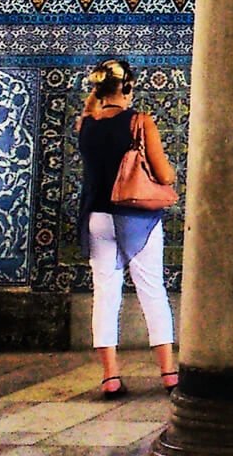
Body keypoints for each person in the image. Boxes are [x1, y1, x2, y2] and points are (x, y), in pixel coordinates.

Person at [76, 59, 179, 399]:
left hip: (97, 217)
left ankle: (110, 377)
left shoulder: (86, 125)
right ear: (129, 86)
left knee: (105, 293)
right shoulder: (140, 121)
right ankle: (168, 373)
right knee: (151, 289)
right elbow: (164, 175)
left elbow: (89, 114)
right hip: (135, 217)